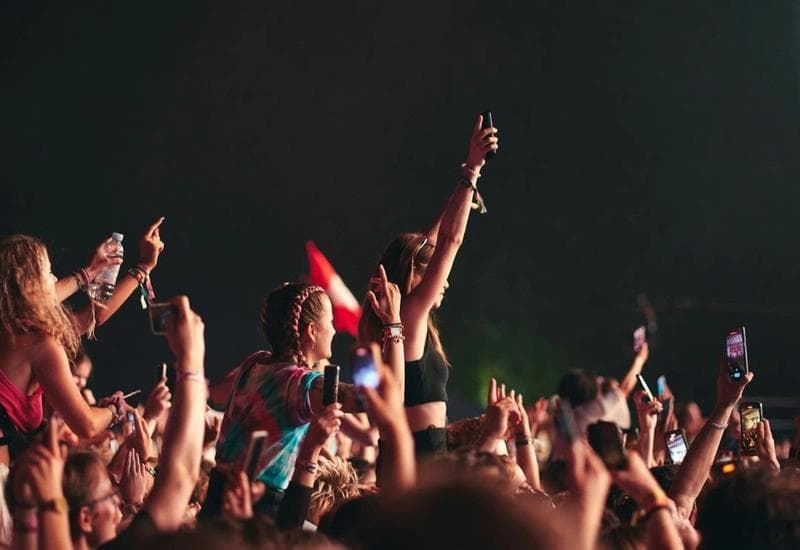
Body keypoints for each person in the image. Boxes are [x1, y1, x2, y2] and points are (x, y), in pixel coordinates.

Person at [358, 113, 499, 456]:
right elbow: (449, 243)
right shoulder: (409, 316)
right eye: (433, 270)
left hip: (418, 452)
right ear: (412, 275)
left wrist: (463, 189)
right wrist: (471, 170)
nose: (445, 281)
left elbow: (433, 239)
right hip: (420, 458)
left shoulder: (404, 320)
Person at [211, 282, 399, 517]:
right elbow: (386, 397)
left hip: (217, 494)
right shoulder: (301, 385)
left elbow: (215, 393)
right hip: (259, 507)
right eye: (330, 322)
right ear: (311, 331)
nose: (334, 329)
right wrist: (393, 327)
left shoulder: (254, 362)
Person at [0, 220, 165, 460]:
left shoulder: (11, 329)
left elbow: (94, 317)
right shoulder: (41, 344)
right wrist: (115, 410)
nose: (55, 278)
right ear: (27, 282)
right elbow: (86, 424)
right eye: (47, 272)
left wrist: (140, 268)